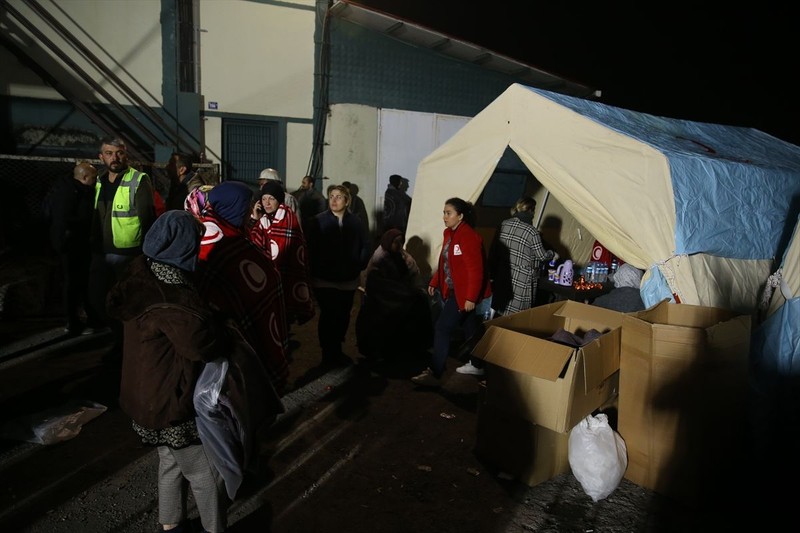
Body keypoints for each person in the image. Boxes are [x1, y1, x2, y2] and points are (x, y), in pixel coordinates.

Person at [106, 210, 230, 533]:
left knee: (170, 463)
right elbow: (200, 343)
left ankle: (170, 525)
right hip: (168, 401)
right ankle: (214, 529)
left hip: (143, 395)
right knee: (205, 472)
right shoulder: (171, 296)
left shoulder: (140, 274)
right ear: (183, 247)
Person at [186, 181, 291, 395]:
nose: (249, 213)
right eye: (245, 207)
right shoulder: (212, 239)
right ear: (233, 208)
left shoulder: (235, 234)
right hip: (226, 337)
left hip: (237, 330)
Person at [412, 197, 491, 387]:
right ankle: (478, 364)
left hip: (463, 293)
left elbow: (476, 271)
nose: (444, 217)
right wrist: (435, 281)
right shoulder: (450, 234)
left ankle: (436, 371)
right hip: (456, 289)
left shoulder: (469, 237)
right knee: (470, 328)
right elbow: (446, 263)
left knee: (442, 327)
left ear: (460, 216)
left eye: (449, 213)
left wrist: (471, 297)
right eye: (444, 213)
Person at [89, 136, 157, 342]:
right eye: (109, 153)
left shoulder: (138, 179)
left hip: (128, 253)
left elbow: (147, 218)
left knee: (126, 302)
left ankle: (126, 343)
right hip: (101, 251)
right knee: (97, 298)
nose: (115, 157)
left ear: (126, 155)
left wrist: (146, 254)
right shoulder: (99, 181)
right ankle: (119, 338)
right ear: (101, 157)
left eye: (119, 153)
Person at [305, 184, 371, 366]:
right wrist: (315, 269)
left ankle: (336, 348)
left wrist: (359, 264)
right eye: (331, 196)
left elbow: (365, 244)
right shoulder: (317, 221)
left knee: (342, 315)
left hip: (348, 279)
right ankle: (328, 352)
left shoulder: (356, 222)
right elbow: (310, 248)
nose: (334, 200)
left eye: (338, 197)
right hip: (324, 279)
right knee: (328, 314)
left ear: (347, 201)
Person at [355, 228, 433, 361]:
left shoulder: (405, 259)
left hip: (400, 298)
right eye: (395, 242)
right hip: (381, 300)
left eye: (400, 242)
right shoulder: (379, 258)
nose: (398, 245)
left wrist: (413, 292)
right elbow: (373, 282)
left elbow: (414, 279)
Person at [247, 179, 315, 326]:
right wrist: (255, 220)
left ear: (279, 200)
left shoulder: (289, 220)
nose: (267, 203)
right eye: (264, 199)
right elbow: (252, 244)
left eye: (271, 198)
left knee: (283, 320)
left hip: (285, 278)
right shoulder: (262, 220)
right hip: (268, 280)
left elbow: (288, 251)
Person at [44, 160, 101, 335]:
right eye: (93, 178)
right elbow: (64, 222)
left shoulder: (67, 188)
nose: (96, 181)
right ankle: (74, 322)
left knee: (76, 283)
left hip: (73, 245)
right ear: (84, 177)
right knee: (74, 283)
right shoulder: (71, 194)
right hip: (72, 246)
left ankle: (79, 320)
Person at [489, 196, 555, 317]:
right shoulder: (532, 231)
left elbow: (495, 250)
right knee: (518, 315)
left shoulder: (504, 224)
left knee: (502, 309)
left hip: (504, 274)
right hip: (522, 278)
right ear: (531, 211)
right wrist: (552, 253)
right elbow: (542, 256)